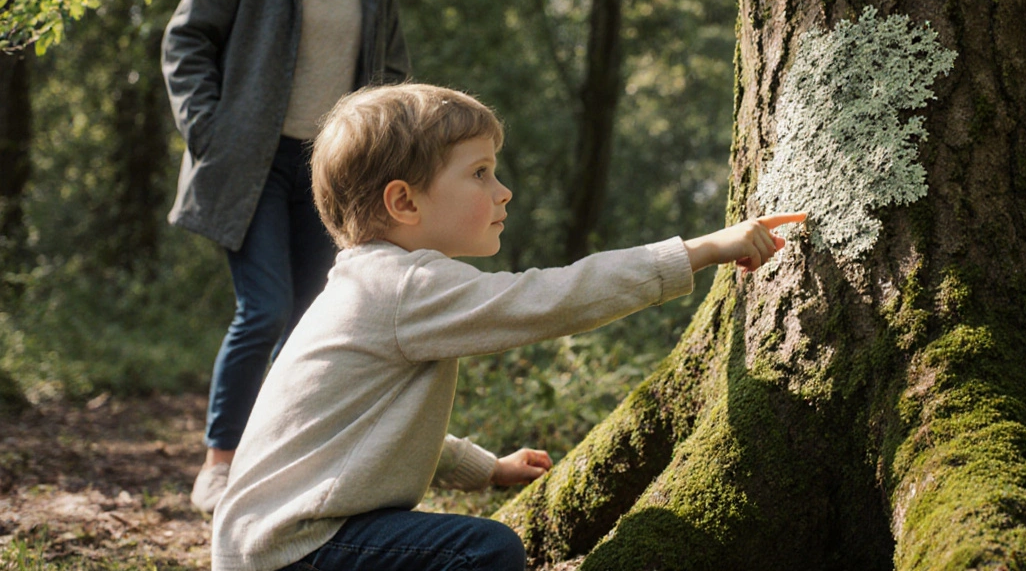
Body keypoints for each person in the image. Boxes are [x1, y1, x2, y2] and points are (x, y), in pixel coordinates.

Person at [209, 83, 805, 571]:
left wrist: (485, 469)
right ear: (405, 203)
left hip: (272, 544)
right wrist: (698, 250)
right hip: (291, 550)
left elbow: (361, 435)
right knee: (486, 553)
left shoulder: (368, 285)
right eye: (480, 174)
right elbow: (548, 300)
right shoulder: (404, 286)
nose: (503, 191)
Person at [161, 0, 410, 514]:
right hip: (252, 162)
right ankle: (218, 464)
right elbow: (186, 39)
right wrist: (210, 131)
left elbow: (390, 75)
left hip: (333, 171)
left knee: (312, 323)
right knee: (264, 310)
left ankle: (283, 468)